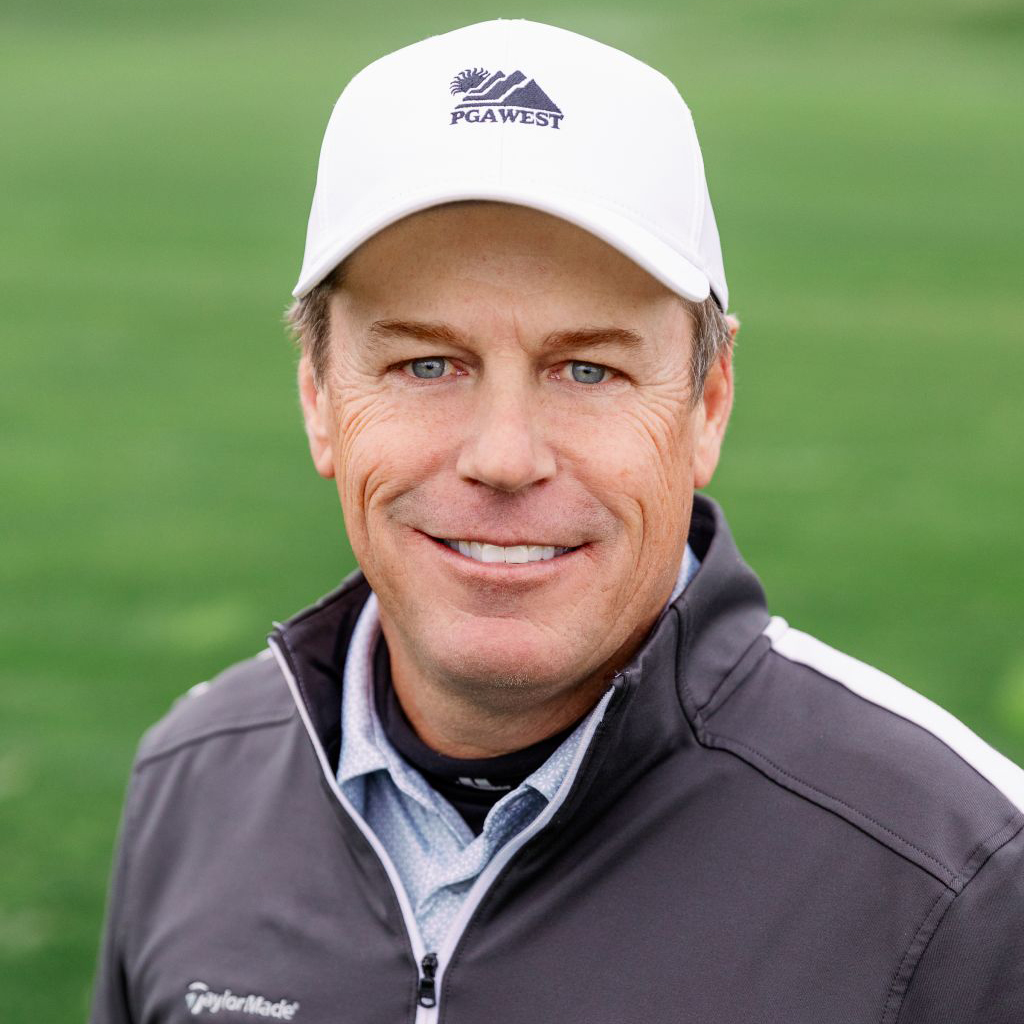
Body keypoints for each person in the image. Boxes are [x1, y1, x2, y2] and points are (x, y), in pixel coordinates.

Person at [90, 18, 1024, 1024]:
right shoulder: (193, 779)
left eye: (588, 369)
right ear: (318, 395)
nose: (503, 456)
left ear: (707, 400)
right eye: (425, 364)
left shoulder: (960, 876)